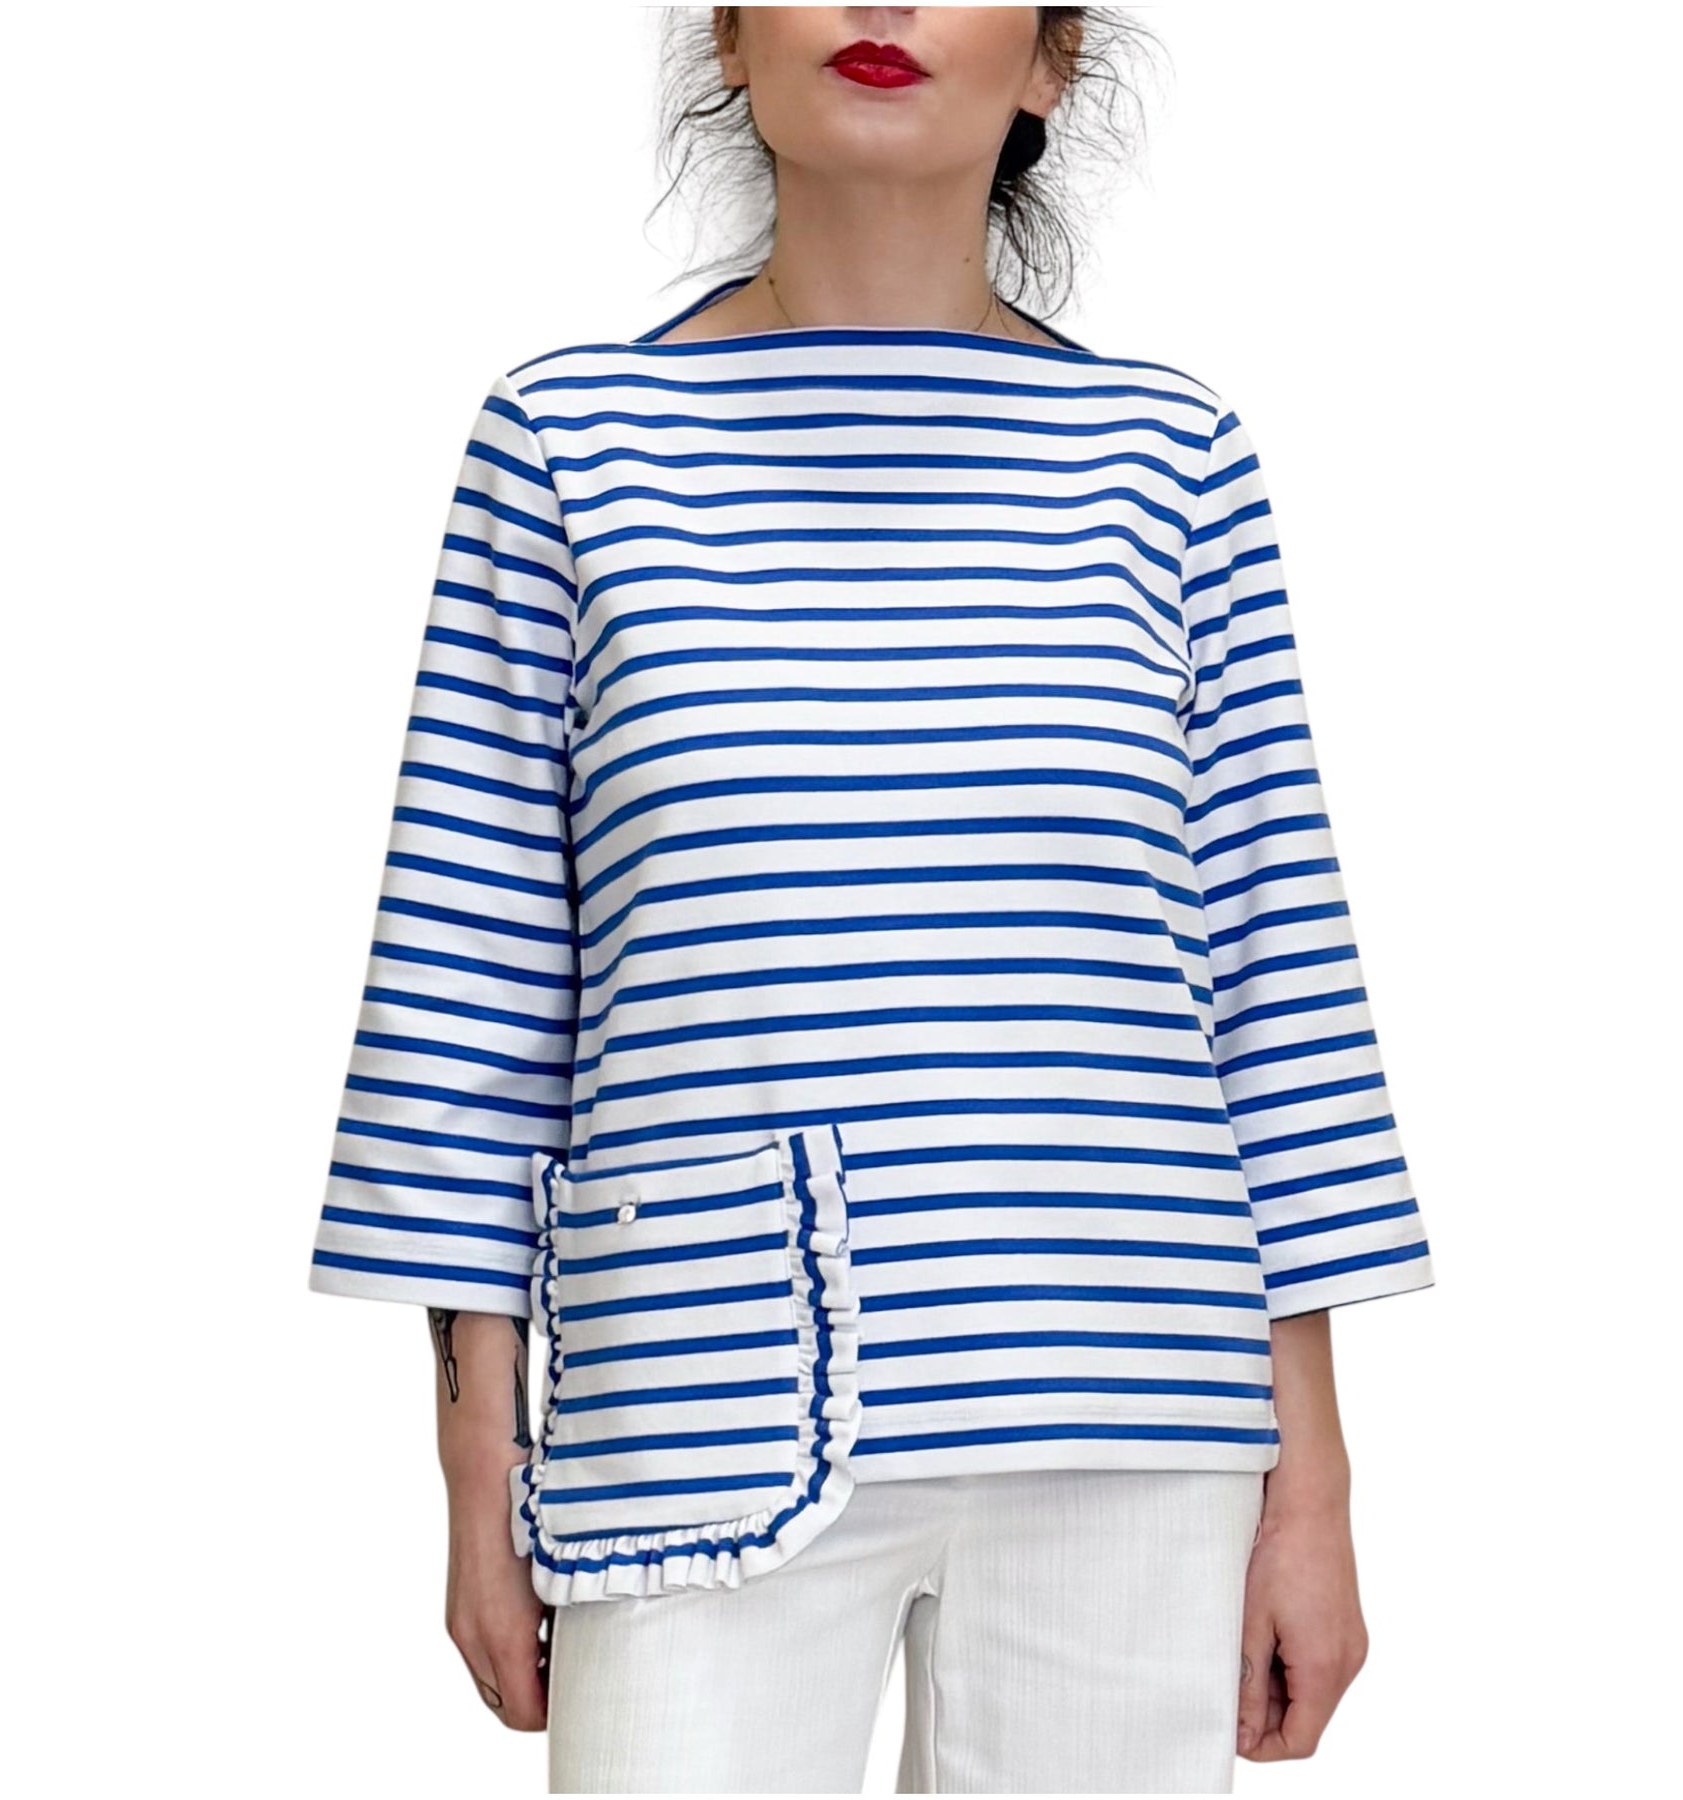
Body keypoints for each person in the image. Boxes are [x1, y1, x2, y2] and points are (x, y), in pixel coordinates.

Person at [306, 8, 1435, 1792]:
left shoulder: (1172, 460)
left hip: (1130, 1404)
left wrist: (1317, 1490)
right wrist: (475, 1469)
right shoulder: (568, 443)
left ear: (1051, 62)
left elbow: (1270, 978)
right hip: (694, 1400)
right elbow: (473, 982)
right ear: (728, 40)